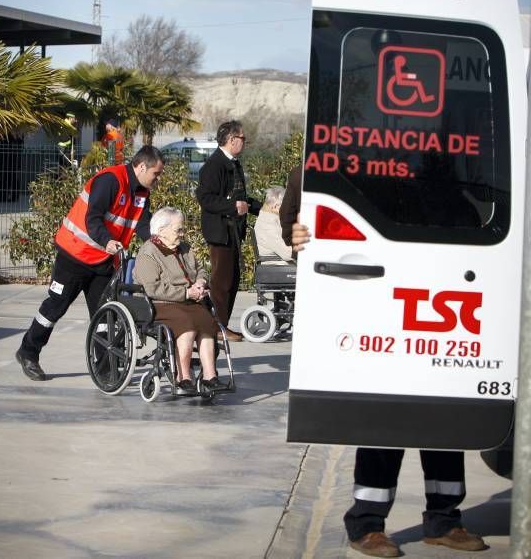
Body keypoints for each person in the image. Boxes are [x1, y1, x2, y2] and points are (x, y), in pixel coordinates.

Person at [290, 222, 487, 558]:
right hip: (382, 299)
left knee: (444, 418)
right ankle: (366, 525)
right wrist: (297, 236)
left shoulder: (452, 188)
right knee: (383, 422)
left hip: (440, 298)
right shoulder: (370, 176)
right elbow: (303, 216)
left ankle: (443, 521)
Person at [15, 145, 165, 381]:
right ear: (142, 166)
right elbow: (92, 218)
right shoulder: (110, 180)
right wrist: (107, 241)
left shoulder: (142, 193)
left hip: (104, 262)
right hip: (75, 255)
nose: (157, 179)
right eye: (156, 174)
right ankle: (28, 352)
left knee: (105, 316)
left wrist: (160, 244)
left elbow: (143, 226)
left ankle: (105, 369)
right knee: (55, 307)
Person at [132, 207, 223, 393]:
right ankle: (183, 377)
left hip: (188, 301)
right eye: (178, 229)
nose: (182, 233)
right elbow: (152, 288)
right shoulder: (148, 252)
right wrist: (186, 293)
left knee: (207, 323)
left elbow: (201, 269)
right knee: (187, 325)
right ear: (161, 230)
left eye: (182, 229)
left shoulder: (185, 248)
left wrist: (200, 282)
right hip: (159, 303)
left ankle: (210, 376)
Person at [196, 120, 261, 342]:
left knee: (232, 280)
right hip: (220, 232)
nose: (245, 142)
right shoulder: (214, 165)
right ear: (232, 140)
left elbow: (241, 198)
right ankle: (216, 327)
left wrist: (263, 209)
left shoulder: (234, 164)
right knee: (222, 282)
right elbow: (206, 199)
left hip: (233, 231)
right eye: (242, 138)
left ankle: (221, 325)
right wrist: (232, 207)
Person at [254, 186, 294, 264]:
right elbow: (288, 253)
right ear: (275, 206)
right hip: (280, 267)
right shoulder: (268, 225)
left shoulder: (270, 220)